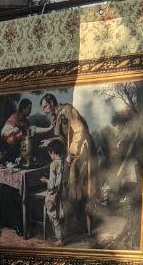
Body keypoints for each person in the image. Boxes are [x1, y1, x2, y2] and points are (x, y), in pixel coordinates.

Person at [37, 93, 98, 235]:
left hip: (83, 150)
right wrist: (50, 141)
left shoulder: (68, 110)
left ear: (51, 103)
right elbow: (64, 138)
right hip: (74, 152)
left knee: (83, 186)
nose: (45, 111)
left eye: (45, 107)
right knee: (73, 185)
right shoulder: (58, 117)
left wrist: (71, 154)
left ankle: (88, 227)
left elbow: (79, 131)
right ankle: (78, 224)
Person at [44, 138, 67, 244]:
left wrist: (45, 180)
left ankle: (60, 239)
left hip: (54, 193)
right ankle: (59, 236)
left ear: (53, 152)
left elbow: (52, 184)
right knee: (57, 215)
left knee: (53, 215)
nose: (50, 155)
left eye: (50, 153)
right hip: (62, 192)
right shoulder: (64, 162)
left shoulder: (53, 164)